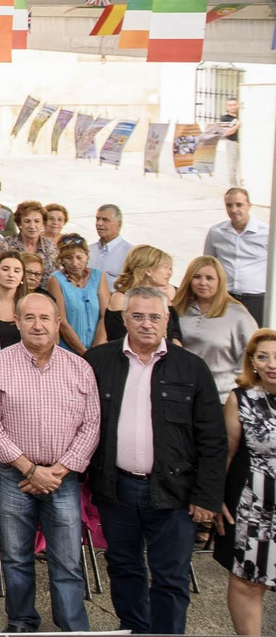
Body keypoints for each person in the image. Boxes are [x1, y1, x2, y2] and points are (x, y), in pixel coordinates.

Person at [83, 285, 225, 635]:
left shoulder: (192, 368)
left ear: (167, 321)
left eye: (155, 317)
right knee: (123, 567)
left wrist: (207, 497)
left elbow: (213, 439)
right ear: (125, 319)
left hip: (174, 492)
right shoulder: (98, 361)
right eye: (138, 316)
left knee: (170, 577)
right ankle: (134, 628)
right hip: (117, 488)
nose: (146, 324)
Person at [0, 291, 100, 634]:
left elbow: (91, 426)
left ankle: (73, 626)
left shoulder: (80, 367)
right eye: (29, 317)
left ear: (58, 322)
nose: (37, 324)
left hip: (63, 479)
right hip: (13, 476)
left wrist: (56, 472)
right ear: (16, 322)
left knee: (67, 561)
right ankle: (21, 621)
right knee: (16, 558)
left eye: (45, 318)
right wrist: (30, 470)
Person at [215, 327, 276, 635]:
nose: (271, 364)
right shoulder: (241, 399)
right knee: (247, 583)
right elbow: (226, 453)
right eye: (262, 357)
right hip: (253, 509)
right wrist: (216, 500)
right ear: (252, 362)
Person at [174, 255, 259, 401]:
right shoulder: (178, 310)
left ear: (220, 281)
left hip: (221, 395)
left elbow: (249, 356)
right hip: (181, 393)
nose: (202, 283)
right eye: (197, 277)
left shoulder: (238, 315)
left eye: (209, 278)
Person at [96, 244, 183, 347]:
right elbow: (118, 336)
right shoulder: (121, 299)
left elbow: (175, 336)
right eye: (166, 268)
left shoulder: (164, 299)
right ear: (148, 271)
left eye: (170, 269)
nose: (169, 273)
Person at [204, 187, 268, 326]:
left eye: (239, 205)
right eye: (229, 205)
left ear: (249, 206)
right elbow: (207, 263)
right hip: (225, 297)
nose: (234, 210)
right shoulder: (216, 232)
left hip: (256, 299)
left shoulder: (266, 233)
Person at [52, 234, 109, 354]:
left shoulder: (98, 276)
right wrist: (84, 353)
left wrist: (95, 353)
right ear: (61, 259)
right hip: (68, 351)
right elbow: (62, 321)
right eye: (68, 258)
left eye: (79, 257)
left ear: (87, 257)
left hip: (98, 350)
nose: (74, 263)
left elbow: (105, 317)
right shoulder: (56, 280)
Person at [1, 200, 56, 274]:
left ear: (43, 224)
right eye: (27, 221)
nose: (32, 226)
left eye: (37, 221)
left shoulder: (50, 247)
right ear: (19, 224)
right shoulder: (6, 245)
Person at [219, 98, 243, 186]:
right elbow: (226, 132)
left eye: (234, 105)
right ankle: (233, 187)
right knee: (232, 167)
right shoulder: (224, 118)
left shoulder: (243, 115)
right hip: (233, 143)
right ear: (226, 107)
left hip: (245, 143)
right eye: (230, 105)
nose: (233, 107)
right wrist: (236, 126)